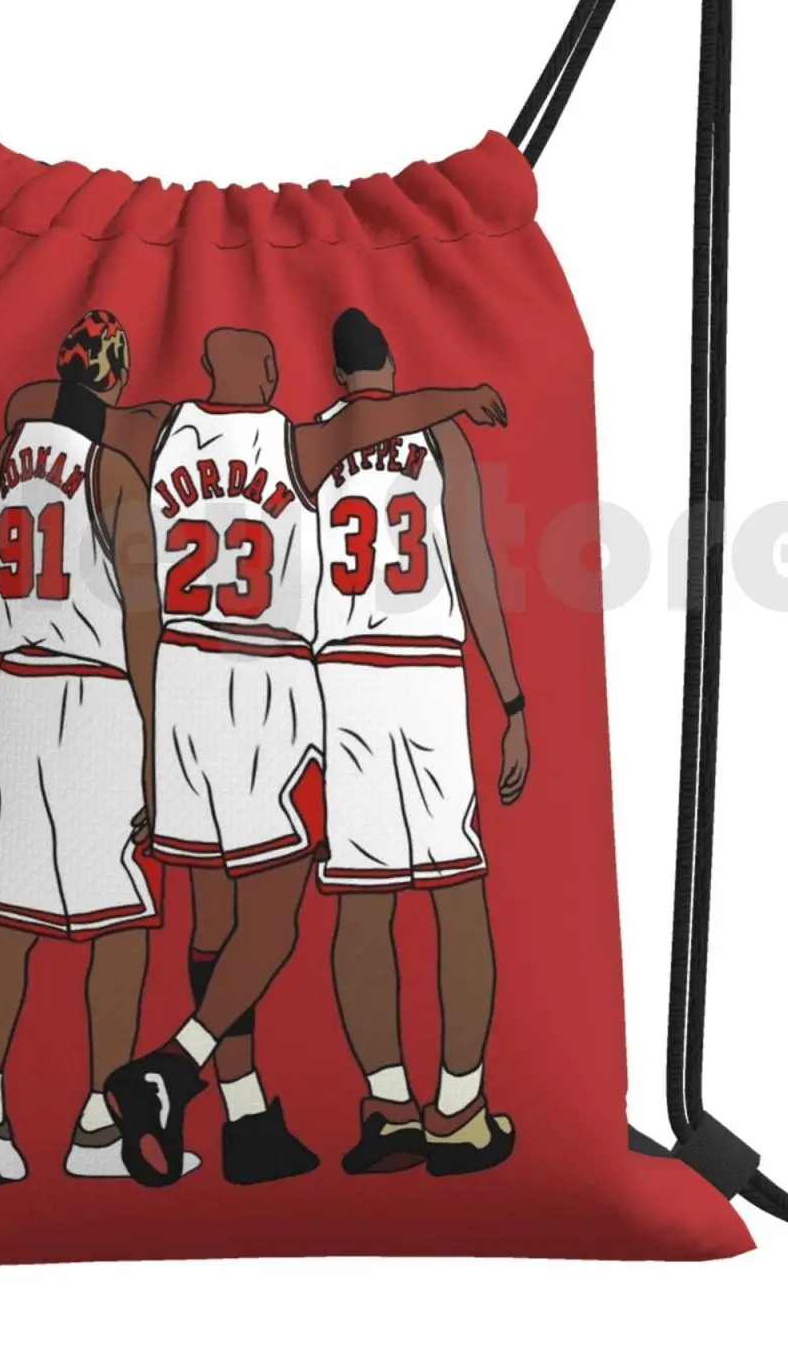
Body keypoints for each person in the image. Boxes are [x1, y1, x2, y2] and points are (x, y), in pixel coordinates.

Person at [93, 325, 507, 1187]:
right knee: (417, 897)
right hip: (314, 680)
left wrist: (80, 381)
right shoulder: (304, 441)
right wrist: (513, 698)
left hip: (220, 676)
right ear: (274, 371)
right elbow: (462, 547)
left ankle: (293, 1115)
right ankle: (453, 1111)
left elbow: (62, 414)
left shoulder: (171, 429)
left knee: (278, 911)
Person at [0, 310, 196, 1183]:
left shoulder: (10, 456)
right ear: (117, 381)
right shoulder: (114, 474)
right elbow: (143, 621)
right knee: (121, 923)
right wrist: (157, 746)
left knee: (4, 921)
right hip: (95, 699)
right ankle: (98, 1125)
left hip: (15, 691)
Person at [311, 308, 530, 1177]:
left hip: (342, 677)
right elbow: (472, 566)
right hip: (426, 674)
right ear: (393, 363)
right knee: (455, 891)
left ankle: (390, 1108)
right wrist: (512, 699)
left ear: (337, 378)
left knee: (362, 902)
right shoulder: (437, 434)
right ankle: (460, 1111)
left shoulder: (308, 444)